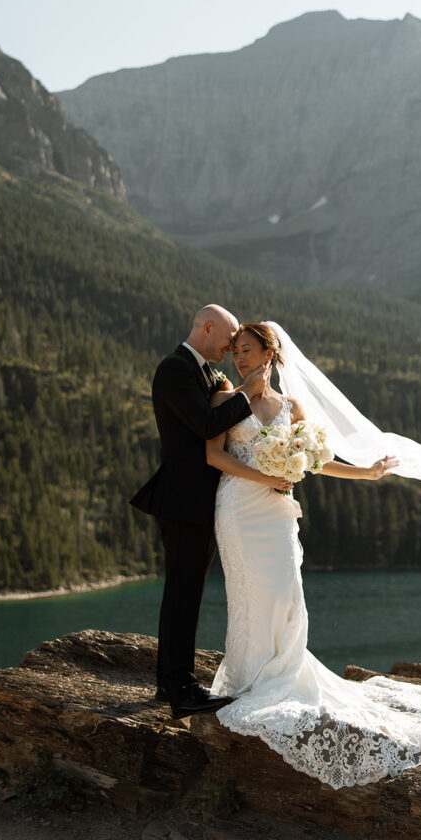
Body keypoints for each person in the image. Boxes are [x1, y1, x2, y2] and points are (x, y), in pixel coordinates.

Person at [204, 321, 421, 789]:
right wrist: (266, 478)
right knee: (248, 594)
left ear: (270, 353)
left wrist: (366, 472)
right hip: (240, 507)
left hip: (277, 513)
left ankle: (281, 673)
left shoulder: (291, 406)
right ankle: (246, 678)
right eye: (234, 351)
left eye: (246, 350)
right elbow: (214, 456)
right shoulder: (223, 401)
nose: (238, 358)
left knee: (286, 591)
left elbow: (314, 460)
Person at [130, 305, 275, 719]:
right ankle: (180, 689)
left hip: (199, 500)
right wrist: (248, 392)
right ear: (207, 329)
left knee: (185, 591)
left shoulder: (206, 373)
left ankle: (168, 682)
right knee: (183, 593)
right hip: (182, 499)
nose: (231, 348)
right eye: (227, 340)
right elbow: (207, 425)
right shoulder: (174, 369)